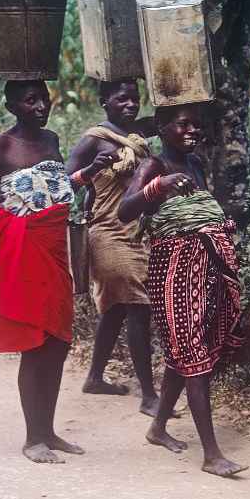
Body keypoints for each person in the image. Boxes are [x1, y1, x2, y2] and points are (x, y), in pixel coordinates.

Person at [117, 102, 247, 477]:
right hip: (172, 274)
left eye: (198, 125)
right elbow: (126, 211)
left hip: (203, 271)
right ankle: (211, 455)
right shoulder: (153, 166)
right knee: (193, 358)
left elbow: (202, 215)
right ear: (161, 127)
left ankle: (157, 428)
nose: (193, 131)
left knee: (185, 353)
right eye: (183, 124)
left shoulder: (195, 166)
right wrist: (159, 186)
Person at [0, 80, 85, 464]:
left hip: (55, 252)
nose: (40, 106)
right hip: (19, 254)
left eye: (44, 98)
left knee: (58, 341)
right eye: (29, 100)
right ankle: (32, 437)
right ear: (12, 106)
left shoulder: (52, 140)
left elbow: (51, 192)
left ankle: (48, 430)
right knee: (34, 344)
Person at [66, 79, 162, 416]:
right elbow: (63, 185)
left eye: (135, 98)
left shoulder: (135, 137)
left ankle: (94, 378)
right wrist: (91, 170)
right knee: (139, 305)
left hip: (135, 232)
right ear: (104, 102)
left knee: (117, 309)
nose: (131, 104)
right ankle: (150, 396)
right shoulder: (95, 139)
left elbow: (161, 119)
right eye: (122, 99)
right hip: (107, 232)